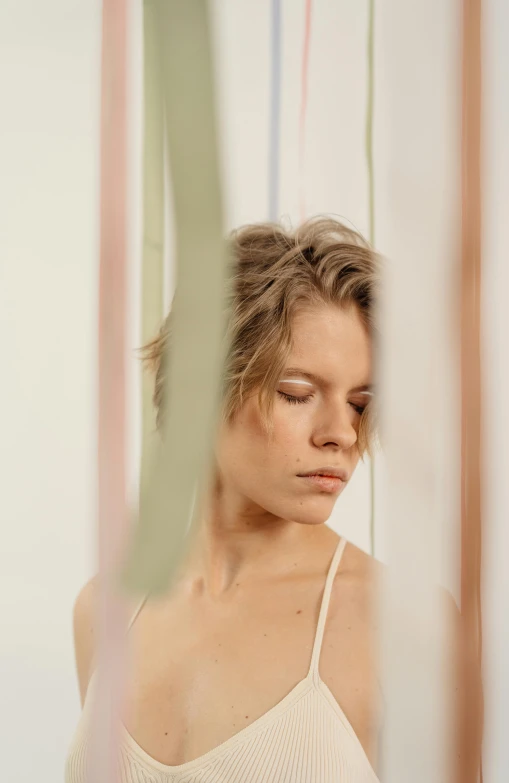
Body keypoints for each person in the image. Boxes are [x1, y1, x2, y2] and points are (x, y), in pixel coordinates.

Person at [66, 217, 384, 782]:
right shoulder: (106, 609)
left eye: (360, 403)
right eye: (297, 394)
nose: (343, 431)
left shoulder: (398, 624)